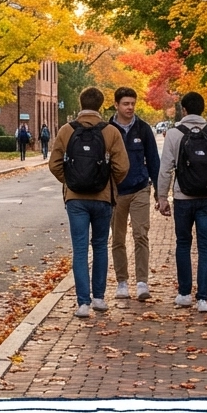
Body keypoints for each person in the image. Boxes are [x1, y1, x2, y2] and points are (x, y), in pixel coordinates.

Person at [49, 87, 129, 317]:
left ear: (80, 103)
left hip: (75, 200)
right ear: (102, 105)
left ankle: (83, 303)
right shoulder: (111, 132)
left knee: (80, 249)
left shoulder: (66, 130)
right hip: (103, 199)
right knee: (101, 245)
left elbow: (54, 164)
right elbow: (122, 167)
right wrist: (107, 182)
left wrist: (71, 181)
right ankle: (100, 298)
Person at [156, 91, 207, 312]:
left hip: (183, 198)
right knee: (205, 246)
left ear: (184, 110)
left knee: (183, 243)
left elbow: (166, 169)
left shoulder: (174, 134)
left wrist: (162, 198)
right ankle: (203, 299)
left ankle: (184, 294)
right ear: (201, 109)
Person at [108, 86, 161, 301]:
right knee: (118, 239)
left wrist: (159, 191)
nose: (130, 107)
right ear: (116, 105)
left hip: (140, 188)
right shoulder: (108, 129)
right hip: (116, 192)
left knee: (141, 234)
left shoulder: (143, 129)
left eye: (132, 103)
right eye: (125, 104)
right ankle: (122, 282)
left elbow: (154, 160)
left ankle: (142, 282)